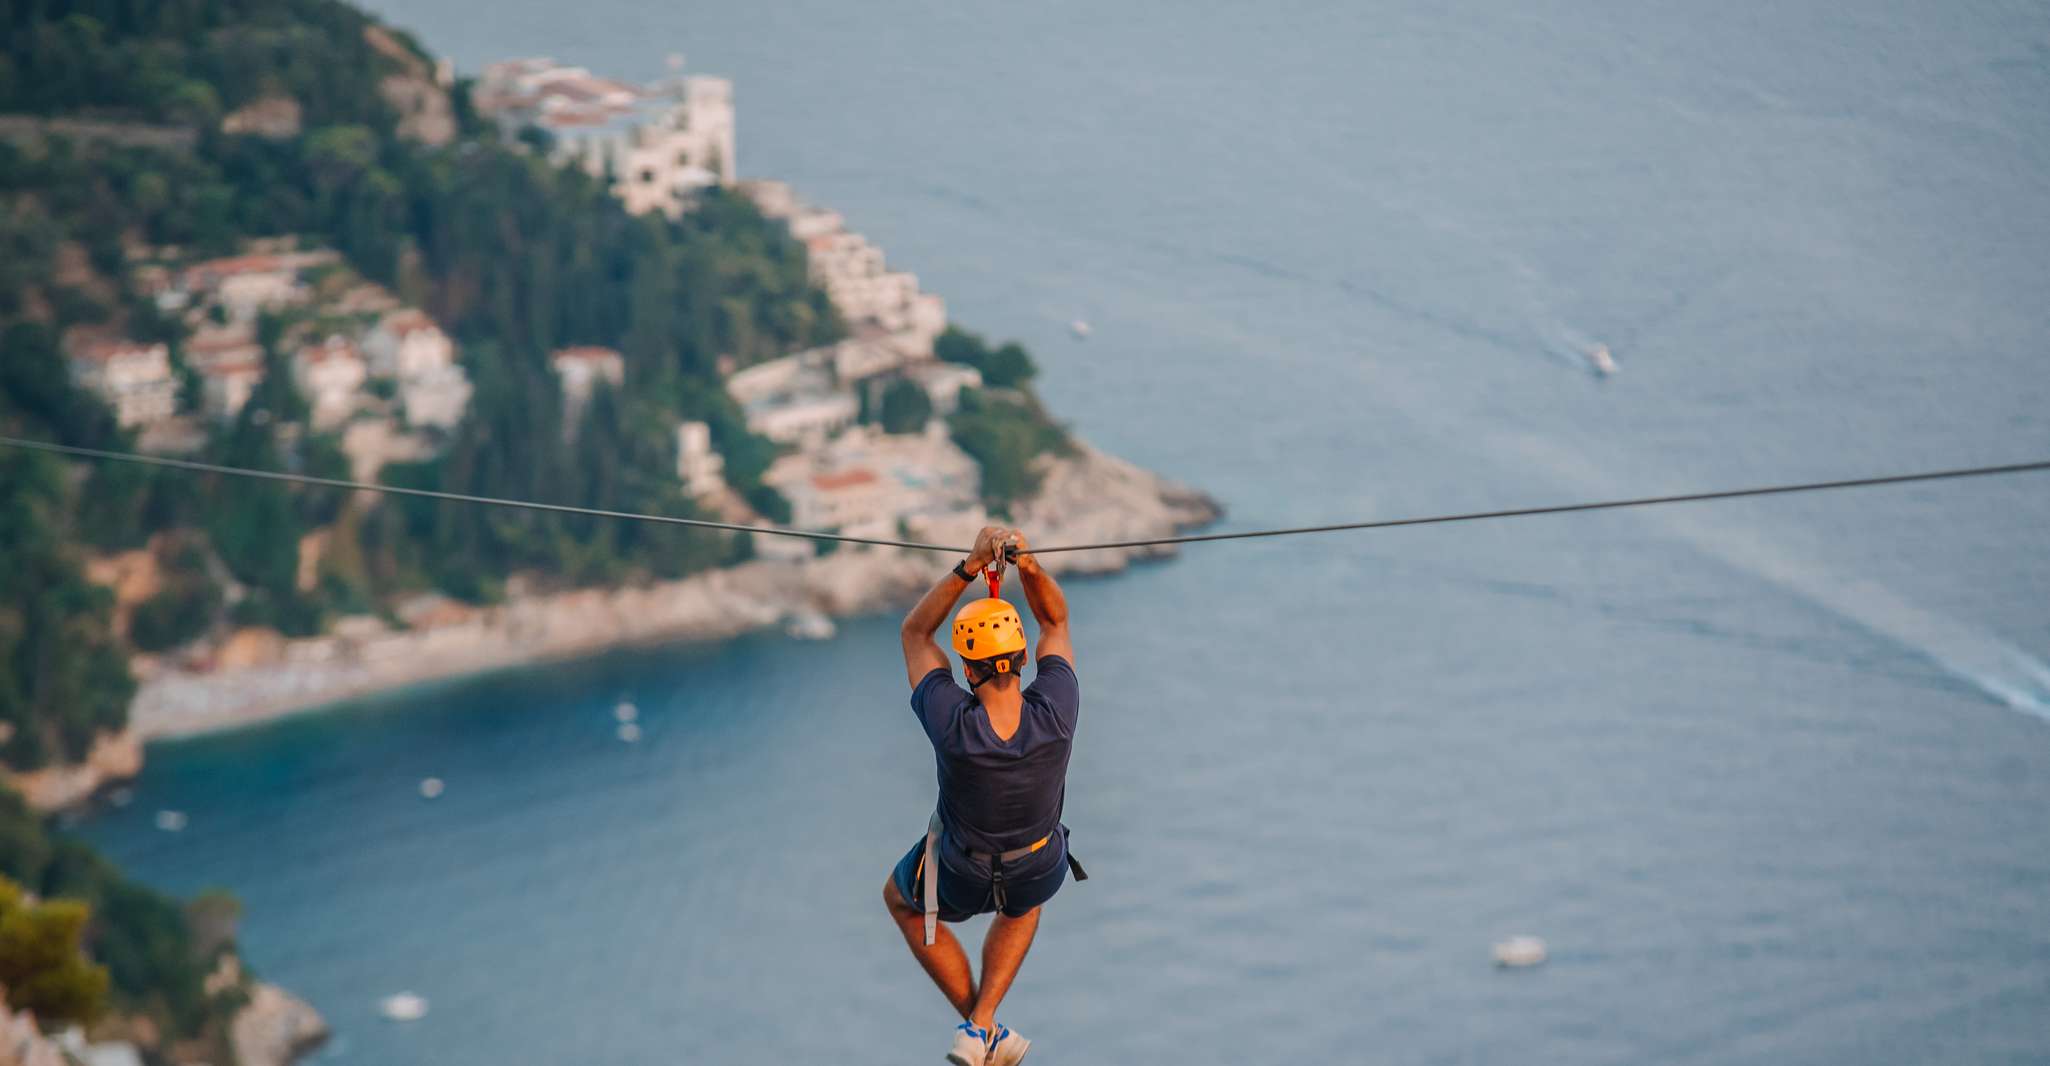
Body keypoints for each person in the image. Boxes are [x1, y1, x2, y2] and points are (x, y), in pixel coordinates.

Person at [886, 525, 1083, 1066]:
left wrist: (968, 568)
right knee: (1025, 904)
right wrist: (1032, 567)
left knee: (899, 900)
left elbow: (914, 634)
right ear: (1022, 658)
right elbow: (1056, 620)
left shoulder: (953, 723)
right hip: (1039, 863)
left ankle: (980, 1026)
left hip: (961, 873)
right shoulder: (1057, 711)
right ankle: (981, 1025)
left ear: (966, 670)